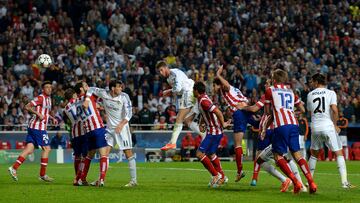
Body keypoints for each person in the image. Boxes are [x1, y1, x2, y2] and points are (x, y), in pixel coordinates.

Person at [241, 80, 304, 192]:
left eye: (267, 83)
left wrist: (242, 107)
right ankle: (299, 183)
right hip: (280, 129)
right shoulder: (282, 94)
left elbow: (254, 109)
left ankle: (289, 181)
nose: (265, 85)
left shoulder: (269, 94)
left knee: (263, 158)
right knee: (284, 157)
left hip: (270, 131)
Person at [262, 69, 317, 194]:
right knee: (297, 155)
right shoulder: (291, 91)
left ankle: (296, 182)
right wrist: (290, 112)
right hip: (293, 124)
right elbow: (302, 109)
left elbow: (267, 112)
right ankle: (311, 182)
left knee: (278, 156)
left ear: (274, 79)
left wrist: (268, 123)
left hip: (281, 125)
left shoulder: (270, 90)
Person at [85, 80, 137, 187]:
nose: (121, 89)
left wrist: (121, 125)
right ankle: (101, 179)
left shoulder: (124, 97)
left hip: (122, 128)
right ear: (113, 88)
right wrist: (86, 99)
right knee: (104, 153)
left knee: (128, 152)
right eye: (119, 87)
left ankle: (133, 180)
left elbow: (129, 113)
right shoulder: (104, 93)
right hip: (109, 129)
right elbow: (90, 89)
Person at [307, 73, 354, 189]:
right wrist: (336, 125)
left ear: (317, 82)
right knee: (339, 153)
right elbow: (334, 109)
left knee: (314, 155)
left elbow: (310, 112)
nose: (311, 83)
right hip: (327, 126)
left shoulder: (310, 94)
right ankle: (344, 182)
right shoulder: (331, 93)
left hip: (315, 127)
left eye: (312, 81)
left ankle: (309, 182)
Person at [214, 65, 258, 182]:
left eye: (214, 85)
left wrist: (218, 75)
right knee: (260, 125)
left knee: (237, 144)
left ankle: (239, 171)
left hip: (239, 113)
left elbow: (226, 85)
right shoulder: (235, 89)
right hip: (246, 109)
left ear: (219, 84)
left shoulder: (226, 88)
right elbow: (244, 100)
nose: (213, 88)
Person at [8, 81, 58, 182]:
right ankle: (42, 175)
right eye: (47, 87)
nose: (49, 89)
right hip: (38, 128)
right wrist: (38, 114)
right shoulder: (41, 98)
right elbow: (27, 106)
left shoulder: (48, 99)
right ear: (43, 89)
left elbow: (45, 112)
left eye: (50, 87)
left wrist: (52, 117)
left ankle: (13, 168)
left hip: (34, 127)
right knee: (47, 149)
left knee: (29, 149)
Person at [156, 61, 203, 150]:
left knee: (179, 118)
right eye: (159, 72)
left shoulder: (175, 73)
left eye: (161, 70)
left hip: (188, 92)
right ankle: (204, 135)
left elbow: (178, 88)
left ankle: (173, 143)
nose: (161, 73)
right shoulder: (168, 79)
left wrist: (168, 91)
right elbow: (177, 90)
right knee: (187, 121)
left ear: (166, 67)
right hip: (189, 93)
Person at [193, 81, 231, 187]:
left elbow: (218, 112)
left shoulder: (204, 101)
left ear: (196, 90)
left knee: (199, 154)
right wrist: (201, 123)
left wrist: (223, 123)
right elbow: (204, 112)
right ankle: (222, 177)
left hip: (214, 131)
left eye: (193, 90)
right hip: (214, 131)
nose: (192, 91)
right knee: (211, 154)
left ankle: (215, 175)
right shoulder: (202, 99)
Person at [74, 81, 109, 187]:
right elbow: (93, 90)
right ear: (81, 89)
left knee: (89, 155)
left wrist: (98, 106)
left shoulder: (76, 102)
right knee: (104, 154)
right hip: (97, 127)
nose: (88, 87)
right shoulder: (88, 96)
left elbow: (93, 106)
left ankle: (82, 179)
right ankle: (101, 179)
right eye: (85, 86)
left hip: (88, 130)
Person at [63, 88, 88, 185]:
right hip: (83, 131)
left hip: (74, 133)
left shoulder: (66, 108)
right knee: (84, 156)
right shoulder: (77, 101)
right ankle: (80, 177)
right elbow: (85, 97)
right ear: (73, 95)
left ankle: (76, 177)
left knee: (77, 156)